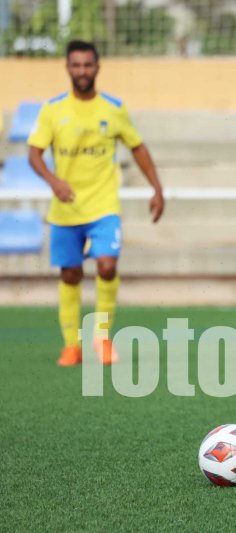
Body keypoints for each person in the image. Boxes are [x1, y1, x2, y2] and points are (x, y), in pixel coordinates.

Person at [28, 40, 164, 366]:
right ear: (68, 67)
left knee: (107, 265)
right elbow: (34, 155)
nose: (82, 71)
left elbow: (137, 147)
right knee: (70, 273)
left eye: (87, 65)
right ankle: (71, 345)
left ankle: (102, 338)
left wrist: (157, 188)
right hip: (66, 210)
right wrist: (54, 182)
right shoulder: (53, 109)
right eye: (76, 65)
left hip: (103, 207)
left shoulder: (113, 108)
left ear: (97, 67)